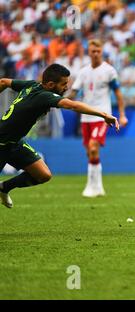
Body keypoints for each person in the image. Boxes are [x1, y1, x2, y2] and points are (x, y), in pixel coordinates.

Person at [0, 63, 119, 209]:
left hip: (14, 142)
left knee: (43, 175)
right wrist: (104, 114)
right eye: (64, 84)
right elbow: (72, 105)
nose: (66, 87)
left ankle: (4, 187)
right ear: (50, 84)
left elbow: (4, 82)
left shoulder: (32, 85)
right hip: (1, 143)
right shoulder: (44, 96)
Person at [68, 39, 128, 198]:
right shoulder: (83, 72)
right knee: (90, 152)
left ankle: (90, 187)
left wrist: (122, 115)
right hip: (86, 118)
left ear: (102, 52)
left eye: (98, 51)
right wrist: (57, 99)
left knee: (94, 147)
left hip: (103, 116)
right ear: (89, 52)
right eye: (92, 51)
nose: (95, 54)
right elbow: (73, 93)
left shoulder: (109, 71)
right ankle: (98, 186)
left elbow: (118, 94)